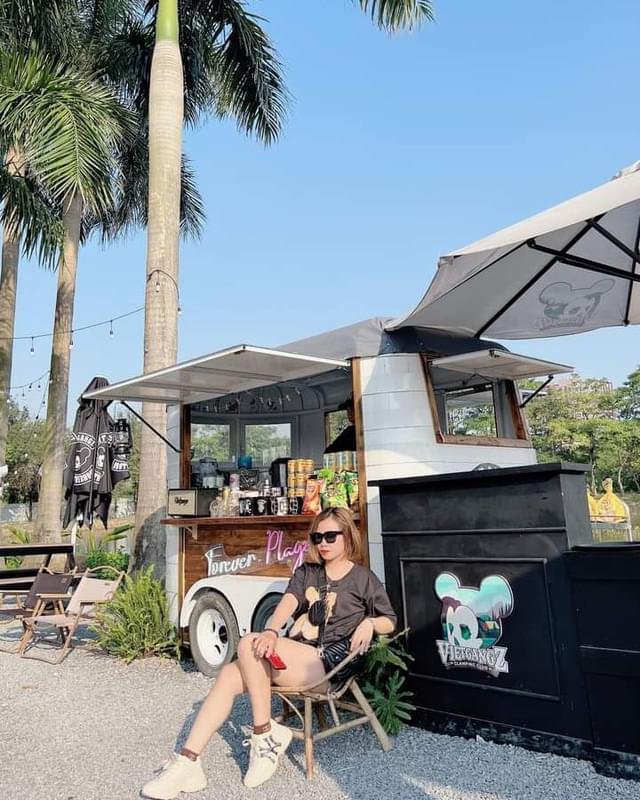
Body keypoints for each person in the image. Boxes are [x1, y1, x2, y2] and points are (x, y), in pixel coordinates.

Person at [141, 507, 397, 799]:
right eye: (317, 537)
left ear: (347, 537)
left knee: (248, 644)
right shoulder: (308, 572)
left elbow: (390, 620)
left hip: (329, 664)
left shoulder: (362, 578)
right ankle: (189, 761)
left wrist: (370, 623)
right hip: (295, 657)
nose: (323, 543)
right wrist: (272, 630)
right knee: (229, 674)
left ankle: (263, 734)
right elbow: (289, 601)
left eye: (330, 536)